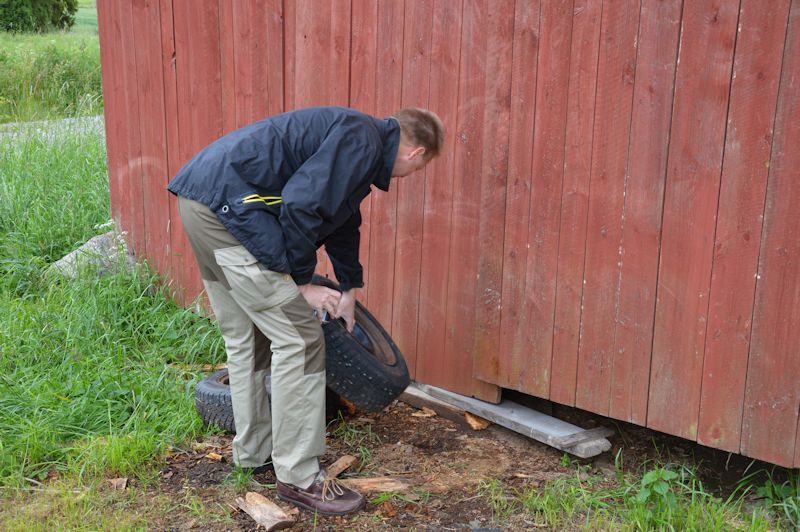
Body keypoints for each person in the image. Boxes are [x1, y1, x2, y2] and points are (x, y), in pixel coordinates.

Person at [167, 106, 443, 515]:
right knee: (300, 338)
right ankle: (299, 478)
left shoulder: (358, 139)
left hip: (202, 203)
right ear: (416, 153)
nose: (411, 175)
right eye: (419, 169)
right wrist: (301, 283)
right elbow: (300, 205)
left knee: (249, 337)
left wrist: (348, 287)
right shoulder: (360, 142)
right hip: (232, 213)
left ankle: (254, 453)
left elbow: (341, 218)